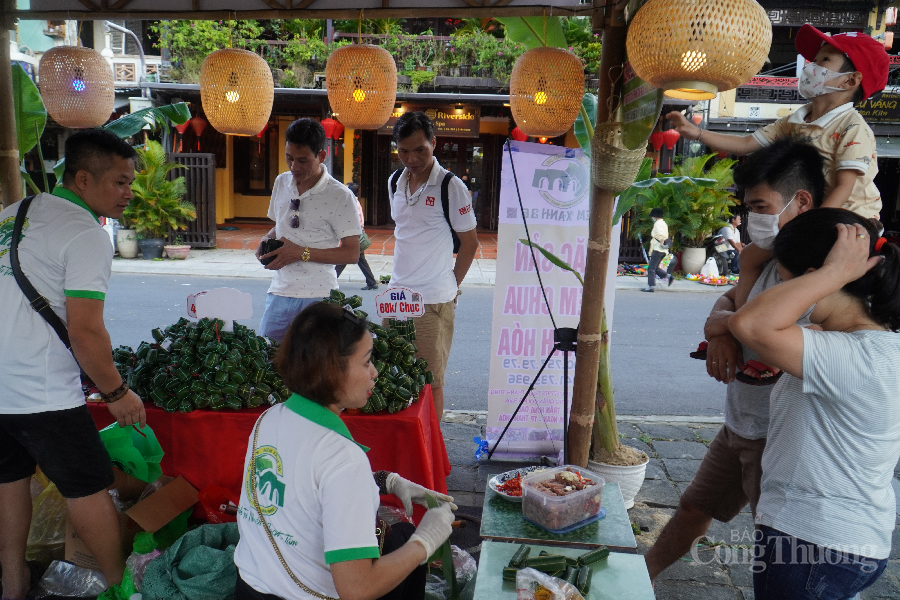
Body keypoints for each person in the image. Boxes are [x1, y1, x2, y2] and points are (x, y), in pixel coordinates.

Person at [645, 139, 826, 583]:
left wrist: (727, 327)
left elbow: (779, 333)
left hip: (781, 441)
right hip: (739, 424)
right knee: (694, 506)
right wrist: (720, 328)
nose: (750, 219)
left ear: (800, 201)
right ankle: (637, 578)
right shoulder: (767, 259)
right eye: (747, 208)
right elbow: (727, 304)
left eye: (760, 206)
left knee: (782, 549)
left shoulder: (822, 276)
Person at [0, 129, 147, 599]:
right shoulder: (84, 234)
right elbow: (85, 330)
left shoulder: (11, 214)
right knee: (86, 487)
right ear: (83, 178)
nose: (129, 193)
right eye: (120, 182)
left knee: (9, 482)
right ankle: (117, 586)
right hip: (41, 391)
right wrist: (117, 393)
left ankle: (13, 585)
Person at [729, 209, 900, 599]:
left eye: (783, 282)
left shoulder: (851, 357)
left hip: (811, 543)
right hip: (850, 542)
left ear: (812, 277)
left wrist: (832, 273)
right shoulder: (878, 346)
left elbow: (750, 325)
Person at [234, 302, 455, 600]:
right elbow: (357, 589)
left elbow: (300, 484)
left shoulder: (268, 419)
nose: (375, 372)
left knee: (398, 537)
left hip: (249, 589)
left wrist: (382, 480)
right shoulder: (342, 457)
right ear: (331, 371)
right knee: (407, 541)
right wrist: (425, 543)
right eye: (366, 362)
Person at [667, 24, 887, 219]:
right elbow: (746, 145)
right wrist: (696, 133)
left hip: (851, 220)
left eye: (825, 60)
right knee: (750, 257)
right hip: (811, 216)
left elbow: (844, 187)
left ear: (850, 80)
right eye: (815, 60)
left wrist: (811, 228)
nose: (811, 67)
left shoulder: (854, 128)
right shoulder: (794, 121)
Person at [388, 112, 479, 418]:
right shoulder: (394, 182)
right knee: (395, 377)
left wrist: (453, 286)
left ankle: (431, 454)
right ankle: (408, 447)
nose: (411, 158)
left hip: (432, 299)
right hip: (396, 298)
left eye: (420, 150)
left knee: (430, 383)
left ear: (434, 144)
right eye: (403, 151)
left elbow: (470, 243)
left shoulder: (449, 186)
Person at [256, 118, 362, 342]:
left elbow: (352, 253)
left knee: (312, 368)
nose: (294, 167)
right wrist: (266, 239)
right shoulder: (281, 182)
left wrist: (300, 252)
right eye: (289, 158)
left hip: (319, 296)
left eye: (302, 160)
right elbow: (279, 226)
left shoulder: (341, 195)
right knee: (267, 360)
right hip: (279, 292)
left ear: (321, 156)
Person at [335, 182, 379, 290]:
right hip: (355, 234)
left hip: (353, 235)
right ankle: (371, 282)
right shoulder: (355, 201)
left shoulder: (351, 201)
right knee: (356, 259)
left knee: (345, 258)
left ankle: (331, 281)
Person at [642, 207, 674, 292]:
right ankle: (669, 277)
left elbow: (662, 235)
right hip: (662, 251)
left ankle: (651, 286)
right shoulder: (663, 223)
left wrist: (661, 243)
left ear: (655, 216)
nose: (652, 218)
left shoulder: (657, 224)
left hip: (658, 249)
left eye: (652, 216)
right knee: (655, 267)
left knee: (651, 268)